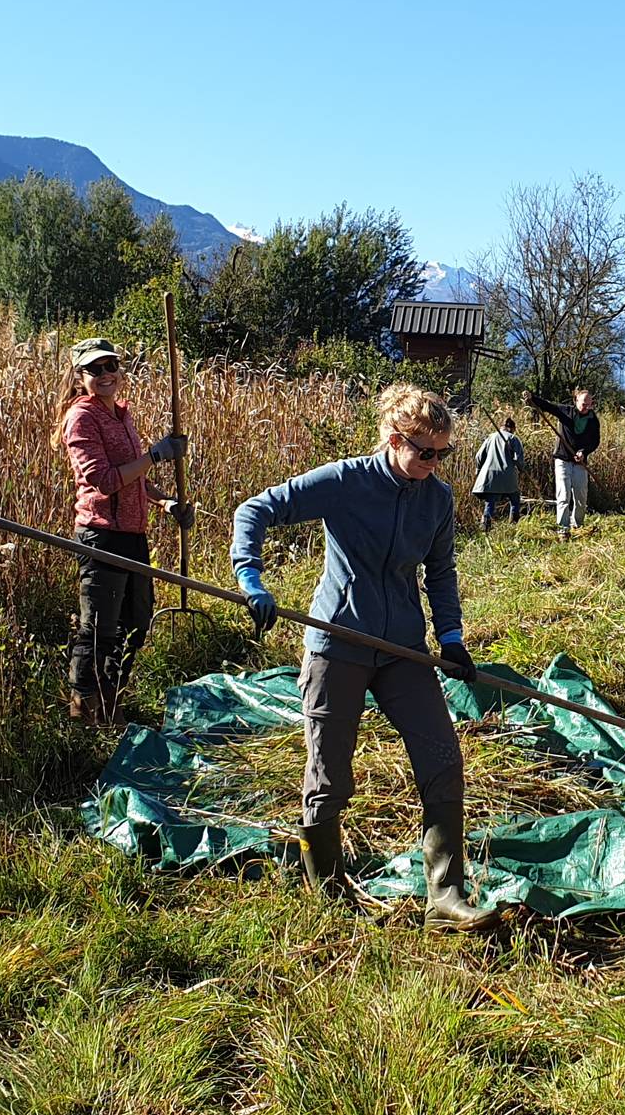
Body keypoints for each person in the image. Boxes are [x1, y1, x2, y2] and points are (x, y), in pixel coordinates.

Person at [230, 383, 499, 933]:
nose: (435, 463)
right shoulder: (346, 481)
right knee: (330, 777)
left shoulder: (437, 499)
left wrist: (450, 638)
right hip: (338, 643)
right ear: (395, 440)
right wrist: (250, 574)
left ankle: (445, 897)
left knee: (443, 759)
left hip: (402, 649)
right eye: (426, 453)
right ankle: (328, 895)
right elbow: (255, 510)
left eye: (443, 454)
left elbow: (440, 574)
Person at [51, 337, 193, 726]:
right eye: (94, 369)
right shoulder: (81, 418)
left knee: (136, 622)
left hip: (133, 534)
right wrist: (156, 455)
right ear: (80, 378)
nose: (105, 374)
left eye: (110, 365)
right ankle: (84, 714)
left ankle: (111, 703)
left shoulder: (121, 414)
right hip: (101, 535)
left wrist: (166, 504)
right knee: (98, 631)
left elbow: (135, 479)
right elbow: (106, 481)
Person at [521, 388, 600, 541]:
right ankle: (563, 529)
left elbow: (595, 441)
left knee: (581, 497)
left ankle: (577, 525)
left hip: (580, 464)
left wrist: (584, 452)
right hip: (563, 460)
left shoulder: (592, 420)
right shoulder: (565, 411)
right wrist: (532, 398)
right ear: (576, 401)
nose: (586, 407)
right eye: (584, 404)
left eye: (589, 405)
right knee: (563, 495)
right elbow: (548, 406)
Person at [472, 416, 524, 533]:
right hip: (508, 476)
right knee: (515, 499)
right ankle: (513, 526)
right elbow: (518, 460)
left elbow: (479, 456)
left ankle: (485, 529)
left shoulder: (491, 437)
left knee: (490, 502)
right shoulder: (514, 439)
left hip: (490, 476)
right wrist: (521, 469)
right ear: (512, 428)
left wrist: (478, 470)